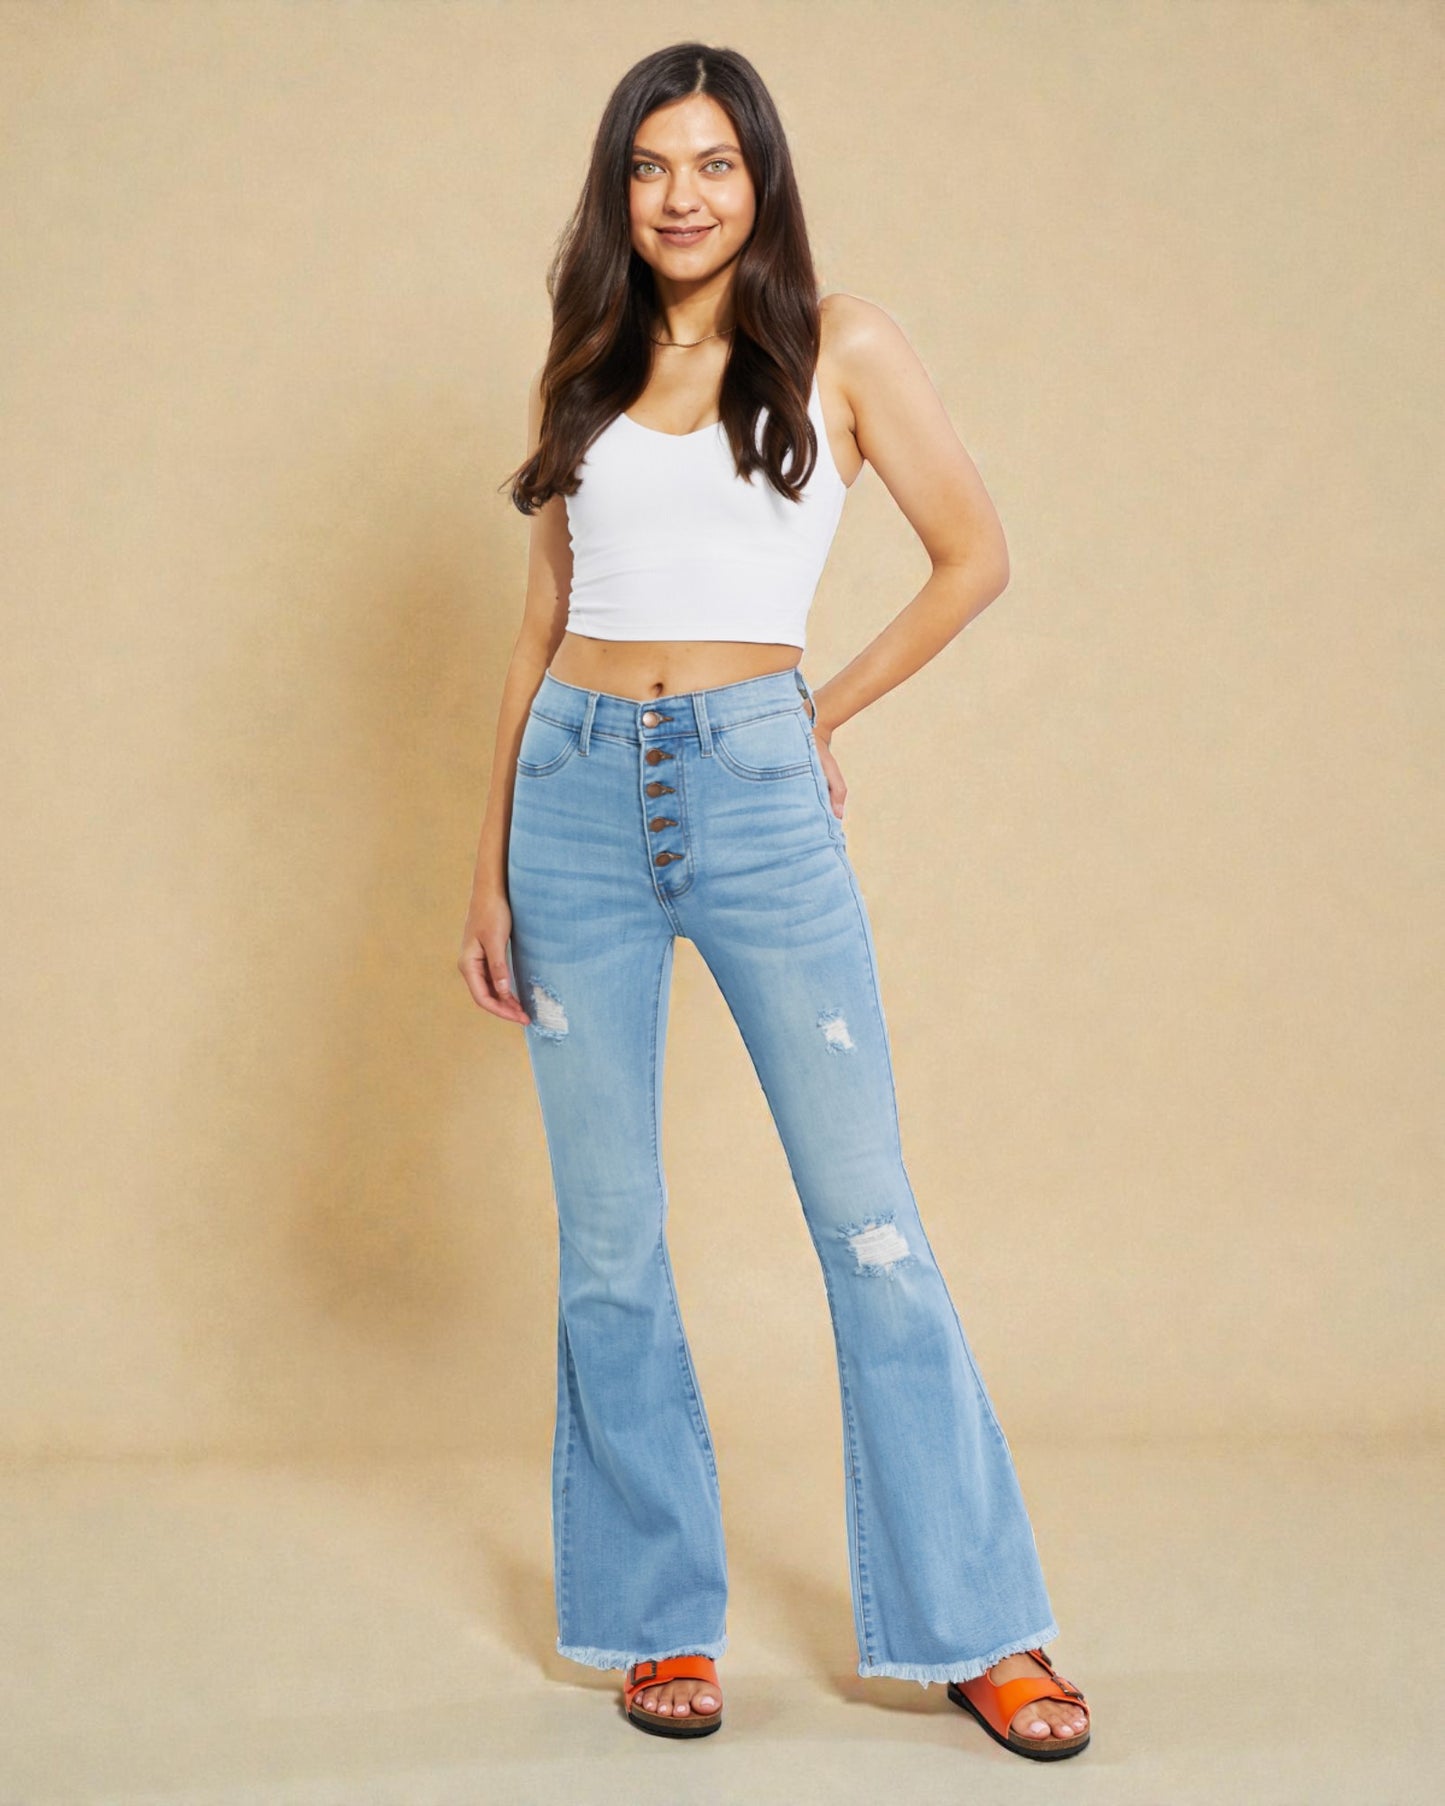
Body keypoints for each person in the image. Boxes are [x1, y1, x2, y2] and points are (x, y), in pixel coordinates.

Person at [458, 41, 1091, 1763]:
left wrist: (815, 713)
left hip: (749, 784)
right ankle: (656, 1614)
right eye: (651, 165)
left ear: (761, 179)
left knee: (869, 1223)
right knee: (608, 1240)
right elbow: (537, 623)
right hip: (570, 795)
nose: (681, 195)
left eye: (713, 163)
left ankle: (978, 1624)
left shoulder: (841, 343)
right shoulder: (586, 357)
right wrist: (486, 862)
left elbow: (974, 556)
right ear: (618, 186)